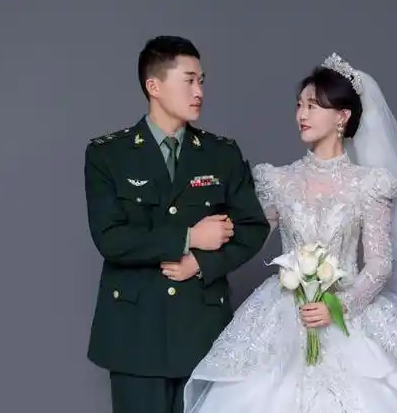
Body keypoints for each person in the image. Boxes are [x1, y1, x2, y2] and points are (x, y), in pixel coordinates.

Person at [183, 53, 397, 412]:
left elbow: (379, 264)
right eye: (299, 105)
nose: (301, 114)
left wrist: (339, 307)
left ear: (342, 116)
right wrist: (193, 246)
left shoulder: (370, 184)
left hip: (347, 310)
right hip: (284, 311)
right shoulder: (278, 180)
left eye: (313, 106)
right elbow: (250, 238)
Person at [83, 35, 270, 413]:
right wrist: (189, 237)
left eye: (202, 81)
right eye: (189, 80)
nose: (199, 91)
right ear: (154, 86)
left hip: (201, 327)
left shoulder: (221, 154)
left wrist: (202, 262)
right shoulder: (108, 154)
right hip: (135, 333)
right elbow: (111, 238)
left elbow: (253, 227)